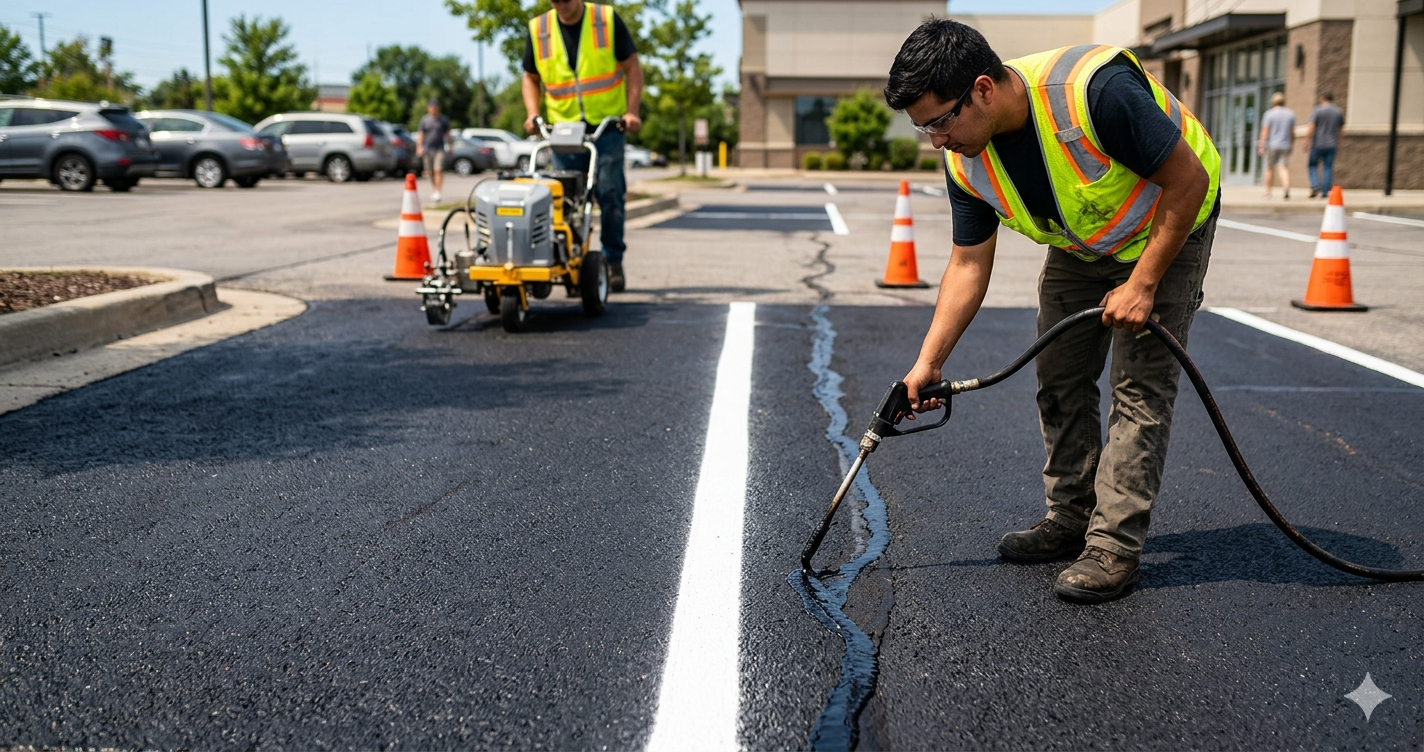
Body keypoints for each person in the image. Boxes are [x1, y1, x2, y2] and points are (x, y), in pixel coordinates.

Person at [884, 21, 1220, 603]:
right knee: (1059, 377)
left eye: (940, 120)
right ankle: (1071, 517)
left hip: (1169, 225)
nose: (935, 139)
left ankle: (1113, 546)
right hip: (1082, 244)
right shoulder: (966, 157)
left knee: (1139, 390)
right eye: (922, 127)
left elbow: (1185, 179)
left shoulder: (1094, 93)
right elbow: (967, 264)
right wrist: (927, 362)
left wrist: (1143, 285)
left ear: (983, 89)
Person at [522, 0, 644, 292]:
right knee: (565, 201)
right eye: (555, 1)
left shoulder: (605, 19)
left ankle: (613, 261)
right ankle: (571, 262)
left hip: (607, 127)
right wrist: (532, 113)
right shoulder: (539, 28)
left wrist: (632, 112)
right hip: (563, 129)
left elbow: (632, 67)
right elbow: (530, 76)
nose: (562, 5)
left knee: (610, 193)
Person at [1304, 92, 1345, 198]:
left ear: (1322, 99)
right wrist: (1340, 143)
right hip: (1332, 144)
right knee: (1328, 167)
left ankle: (1315, 185)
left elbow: (1311, 126)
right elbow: (1340, 130)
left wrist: (1306, 141)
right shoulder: (1338, 112)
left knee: (1312, 165)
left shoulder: (1317, 110)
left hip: (1318, 144)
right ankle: (1325, 192)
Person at [1258, 92, 1295, 199]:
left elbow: (1265, 131)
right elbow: (1292, 132)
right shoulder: (1290, 114)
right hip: (1285, 144)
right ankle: (1286, 187)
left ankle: (1268, 192)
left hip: (1273, 145)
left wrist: (1261, 145)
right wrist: (1291, 143)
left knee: (1269, 168)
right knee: (1283, 167)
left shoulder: (1269, 114)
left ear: (1274, 102)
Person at [417, 99, 453, 204]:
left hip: (439, 149)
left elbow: (448, 134)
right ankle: (434, 190)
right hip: (428, 149)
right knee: (430, 172)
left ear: (438, 108)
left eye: (435, 107)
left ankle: (438, 191)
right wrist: (419, 147)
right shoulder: (424, 120)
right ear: (428, 108)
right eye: (432, 107)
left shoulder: (443, 120)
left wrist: (451, 146)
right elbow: (421, 135)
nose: (433, 109)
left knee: (438, 170)